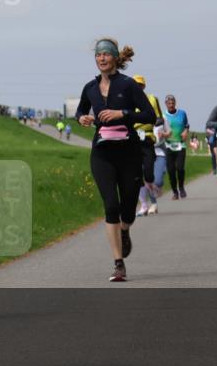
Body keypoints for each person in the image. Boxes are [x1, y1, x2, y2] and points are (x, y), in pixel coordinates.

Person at [76, 38, 156, 282]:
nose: (101, 58)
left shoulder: (129, 85)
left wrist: (122, 113)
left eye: (105, 54)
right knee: (111, 205)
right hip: (102, 153)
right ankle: (118, 264)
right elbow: (80, 110)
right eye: (98, 55)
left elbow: (150, 115)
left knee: (128, 207)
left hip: (129, 152)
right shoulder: (90, 87)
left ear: (114, 57)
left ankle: (125, 229)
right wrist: (82, 119)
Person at [132, 75, 163, 216]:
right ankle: (143, 204)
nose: (138, 87)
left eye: (140, 85)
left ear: (143, 86)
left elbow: (159, 117)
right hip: (132, 140)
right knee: (136, 175)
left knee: (149, 174)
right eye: (135, 85)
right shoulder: (127, 100)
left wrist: (150, 123)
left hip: (148, 139)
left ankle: (152, 187)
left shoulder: (152, 99)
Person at [163, 94, 190, 199]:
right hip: (168, 145)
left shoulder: (182, 113)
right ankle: (175, 192)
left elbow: (187, 125)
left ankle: (181, 187)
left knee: (180, 168)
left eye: (173, 103)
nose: (171, 105)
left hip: (180, 144)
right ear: (165, 104)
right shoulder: (163, 116)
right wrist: (164, 134)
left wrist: (185, 132)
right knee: (171, 170)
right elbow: (159, 129)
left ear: (175, 103)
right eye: (169, 103)